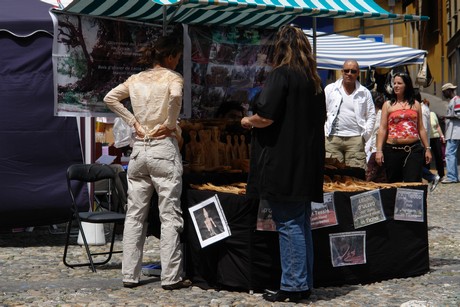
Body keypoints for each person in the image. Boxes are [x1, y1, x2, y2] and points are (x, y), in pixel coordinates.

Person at [241, 25, 325, 303]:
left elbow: (266, 116)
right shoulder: (314, 81)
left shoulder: (281, 75)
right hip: (306, 163)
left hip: (283, 162)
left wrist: (246, 120)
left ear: (280, 48)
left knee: (289, 224)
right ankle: (303, 283)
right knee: (300, 223)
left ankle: (293, 285)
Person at [103, 32, 191, 290]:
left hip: (140, 149)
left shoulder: (136, 79)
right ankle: (171, 277)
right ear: (171, 55)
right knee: (169, 214)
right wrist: (171, 124)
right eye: (177, 56)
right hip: (163, 148)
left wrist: (134, 123)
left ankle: (130, 275)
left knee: (134, 215)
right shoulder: (173, 77)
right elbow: (175, 97)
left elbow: (110, 98)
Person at [375, 73, 432, 183]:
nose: (396, 86)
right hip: (392, 150)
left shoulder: (415, 104)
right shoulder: (388, 105)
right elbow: (382, 128)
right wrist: (379, 150)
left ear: (407, 85)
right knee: (393, 183)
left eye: (399, 83)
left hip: (413, 149)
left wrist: (427, 149)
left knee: (413, 182)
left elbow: (421, 128)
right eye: (394, 83)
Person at [324, 59, 376, 170]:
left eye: (353, 71)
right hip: (332, 138)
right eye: (346, 71)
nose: (349, 74)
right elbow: (322, 111)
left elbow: (371, 114)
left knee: (356, 175)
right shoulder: (330, 89)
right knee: (332, 176)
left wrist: (365, 135)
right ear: (342, 71)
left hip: (355, 139)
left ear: (358, 73)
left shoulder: (364, 92)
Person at [365, 91, 387, 182]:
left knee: (371, 177)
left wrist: (378, 150)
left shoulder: (380, 114)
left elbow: (378, 134)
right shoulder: (374, 113)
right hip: (373, 150)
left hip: (376, 150)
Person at [419, 97, 440, 191]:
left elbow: (424, 128)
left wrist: (425, 145)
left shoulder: (422, 109)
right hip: (423, 142)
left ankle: (431, 177)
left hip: (420, 143)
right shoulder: (424, 109)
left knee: (415, 165)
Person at [441, 82, 460, 183]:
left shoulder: (456, 100)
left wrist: (446, 116)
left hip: (455, 131)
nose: (443, 95)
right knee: (452, 154)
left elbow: (459, 115)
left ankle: (452, 176)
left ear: (448, 91)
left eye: (444, 92)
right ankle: (454, 176)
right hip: (453, 131)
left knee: (449, 154)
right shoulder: (453, 100)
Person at [429, 108, 446, 179]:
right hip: (427, 138)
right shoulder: (422, 113)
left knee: (439, 156)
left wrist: (442, 136)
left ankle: (441, 174)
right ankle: (427, 176)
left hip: (435, 137)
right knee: (426, 157)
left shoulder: (433, 114)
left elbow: (437, 126)